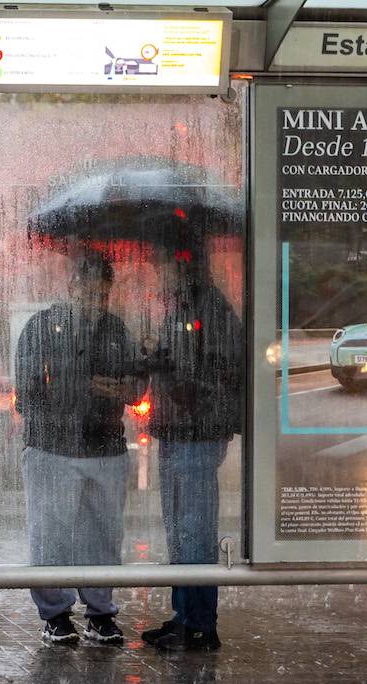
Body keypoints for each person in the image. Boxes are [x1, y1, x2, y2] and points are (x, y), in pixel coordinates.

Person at [15, 252, 140, 646]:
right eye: (88, 292)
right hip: (52, 448)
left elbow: (136, 389)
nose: (95, 302)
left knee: (103, 535)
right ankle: (55, 614)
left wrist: (133, 384)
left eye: (102, 295)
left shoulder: (116, 329)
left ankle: (100, 612)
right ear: (71, 287)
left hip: (105, 446)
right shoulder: (41, 328)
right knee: (50, 535)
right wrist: (87, 387)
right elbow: (28, 393)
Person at [141, 219, 243, 652]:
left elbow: (220, 373)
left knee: (194, 532)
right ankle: (186, 616)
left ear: (182, 261)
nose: (156, 269)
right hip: (177, 431)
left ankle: (200, 624)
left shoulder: (208, 309)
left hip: (195, 434)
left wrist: (173, 374)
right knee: (180, 532)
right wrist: (159, 357)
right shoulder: (183, 306)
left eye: (162, 261)